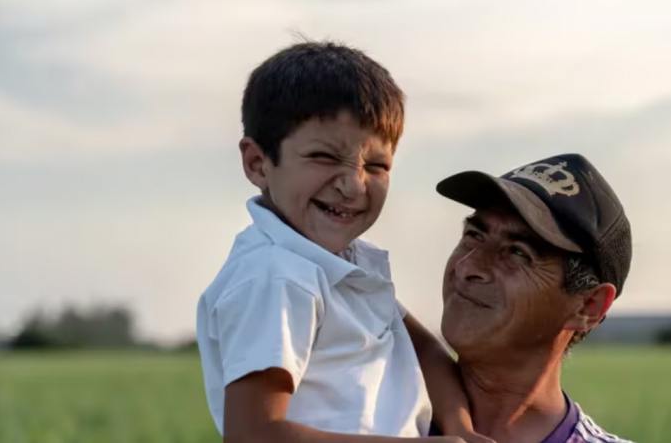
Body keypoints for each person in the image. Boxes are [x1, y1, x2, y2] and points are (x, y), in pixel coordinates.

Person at [195, 41, 486, 443]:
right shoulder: (276, 276)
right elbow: (253, 434)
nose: (353, 184)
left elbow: (429, 355)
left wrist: (461, 429)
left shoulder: (345, 264)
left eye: (377, 165)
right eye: (324, 157)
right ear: (258, 163)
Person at [435, 153, 634, 443]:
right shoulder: (367, 404)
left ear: (589, 305)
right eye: (474, 235)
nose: (467, 267)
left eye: (517, 252)